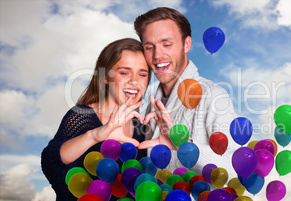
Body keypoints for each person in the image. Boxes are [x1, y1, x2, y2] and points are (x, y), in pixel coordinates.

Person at [134, 7, 239, 178]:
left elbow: (233, 169)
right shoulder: (151, 109)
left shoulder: (213, 96)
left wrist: (183, 144)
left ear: (186, 44)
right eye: (149, 47)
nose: (157, 55)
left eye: (167, 44)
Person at [41, 38, 151, 200]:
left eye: (142, 74)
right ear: (105, 77)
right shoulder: (82, 115)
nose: (134, 81)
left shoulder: (141, 128)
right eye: (124, 72)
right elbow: (52, 162)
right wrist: (95, 136)